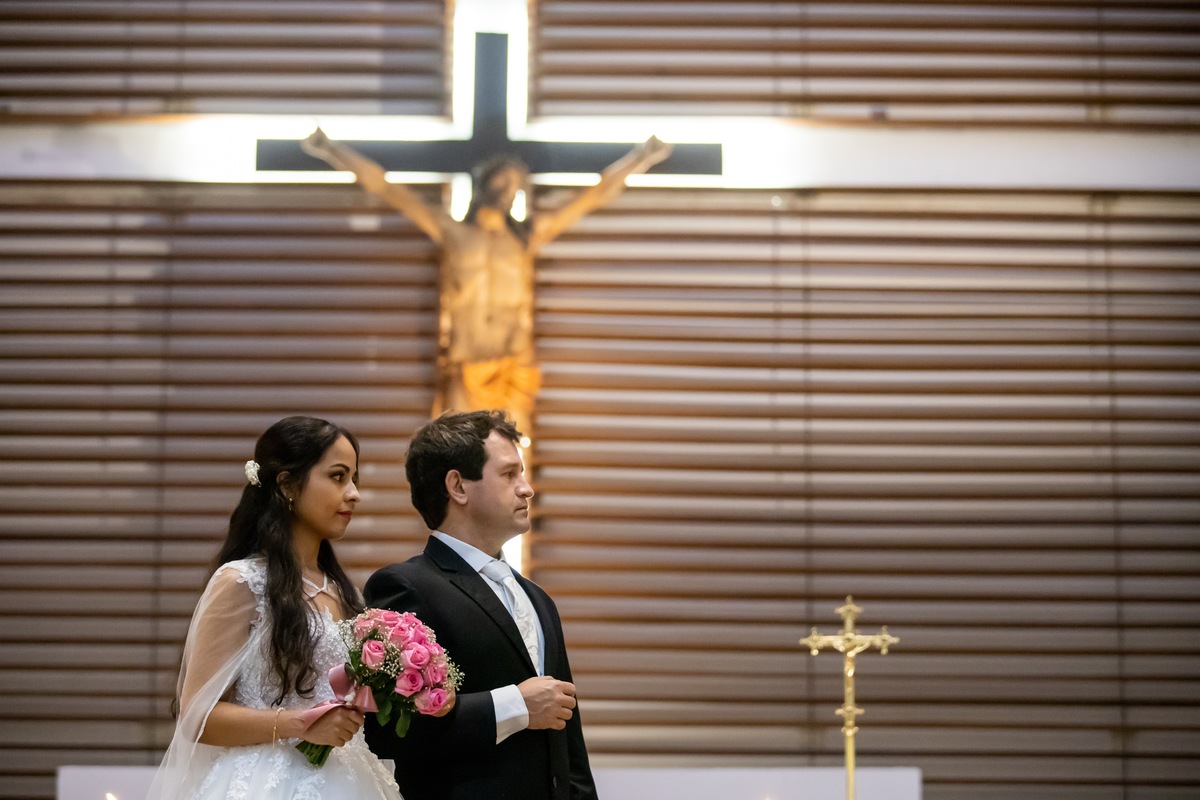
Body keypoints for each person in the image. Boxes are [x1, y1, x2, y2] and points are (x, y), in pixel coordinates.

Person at [301, 129, 673, 437]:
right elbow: (386, 189)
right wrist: (332, 150)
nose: (510, 186)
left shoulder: (526, 238)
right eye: (503, 177)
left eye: (517, 182)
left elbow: (594, 195)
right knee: (461, 465)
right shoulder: (452, 233)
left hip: (513, 368)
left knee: (507, 470)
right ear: (484, 181)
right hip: (468, 366)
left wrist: (643, 157)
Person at [148, 416, 442, 799]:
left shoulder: (342, 590)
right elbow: (197, 717)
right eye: (338, 477)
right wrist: (298, 724)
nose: (353, 493)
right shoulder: (242, 582)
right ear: (287, 485)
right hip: (264, 782)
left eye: (355, 479)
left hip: (349, 776)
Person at [363, 409, 597, 800]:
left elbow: (566, 737)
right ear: (457, 486)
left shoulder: (538, 598)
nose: (527, 489)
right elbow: (389, 732)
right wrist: (513, 706)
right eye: (509, 474)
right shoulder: (406, 586)